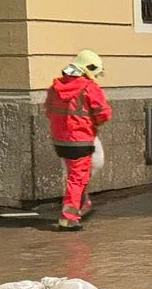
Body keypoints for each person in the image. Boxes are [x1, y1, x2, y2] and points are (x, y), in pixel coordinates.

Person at [44, 50, 111, 231]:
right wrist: (90, 124)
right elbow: (104, 114)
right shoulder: (90, 88)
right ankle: (69, 218)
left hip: (60, 140)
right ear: (89, 69)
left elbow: (48, 110)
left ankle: (82, 201)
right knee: (77, 178)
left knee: (76, 175)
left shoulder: (55, 87)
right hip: (80, 140)